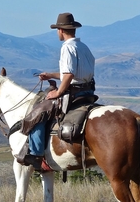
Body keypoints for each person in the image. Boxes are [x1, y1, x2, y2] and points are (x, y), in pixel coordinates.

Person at [16, 12, 95, 171]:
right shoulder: (83, 47)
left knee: (38, 112)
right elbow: (74, 73)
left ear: (60, 30)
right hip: (88, 91)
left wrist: (58, 92)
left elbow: (69, 75)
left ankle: (36, 152)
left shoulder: (67, 47)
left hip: (73, 93)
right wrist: (51, 75)